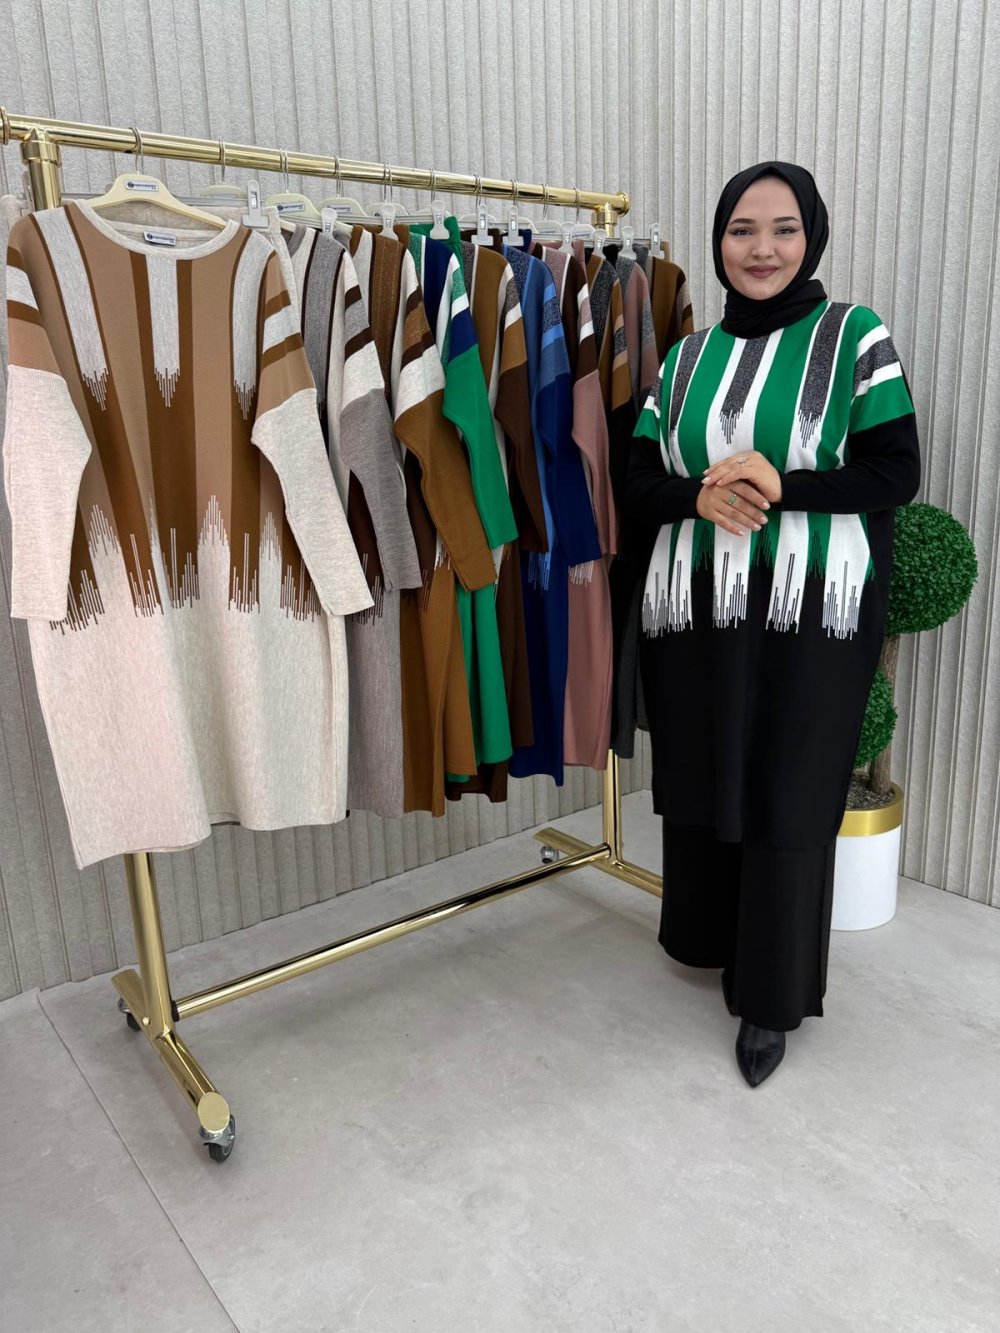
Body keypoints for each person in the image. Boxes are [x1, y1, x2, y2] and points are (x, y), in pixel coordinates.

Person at [624, 162, 920, 1086]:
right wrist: (696, 499)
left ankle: (770, 995)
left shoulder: (855, 336)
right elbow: (637, 478)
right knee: (708, 764)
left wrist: (781, 485)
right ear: (718, 240)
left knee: (789, 784)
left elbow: (895, 471)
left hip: (810, 609)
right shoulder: (686, 358)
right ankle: (706, 935)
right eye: (741, 229)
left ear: (812, 237)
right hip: (696, 607)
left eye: (783, 229)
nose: (762, 248)